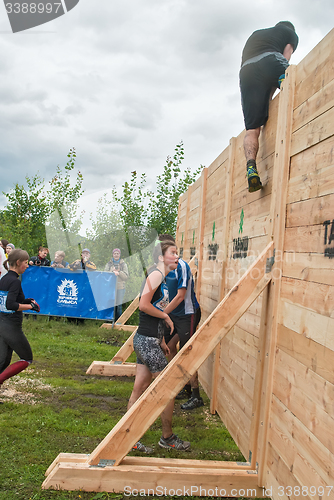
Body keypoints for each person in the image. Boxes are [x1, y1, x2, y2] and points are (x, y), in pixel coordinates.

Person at [128, 240, 190, 452]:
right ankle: (167, 437)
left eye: (177, 253)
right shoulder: (156, 275)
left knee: (140, 388)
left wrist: (162, 339)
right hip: (146, 342)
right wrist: (166, 316)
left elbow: (152, 310)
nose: (177, 256)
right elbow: (143, 305)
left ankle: (128, 438)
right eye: (173, 253)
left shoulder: (162, 278)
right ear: (161, 257)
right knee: (167, 389)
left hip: (149, 340)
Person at [239, 21, 299, 192]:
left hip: (247, 72)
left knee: (251, 129)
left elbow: (256, 72)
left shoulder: (256, 33)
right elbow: (285, 58)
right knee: (292, 79)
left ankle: (251, 167)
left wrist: (266, 100)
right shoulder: (290, 33)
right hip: (271, 60)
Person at [159, 235, 203, 410]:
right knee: (169, 346)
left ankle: (196, 394)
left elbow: (180, 296)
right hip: (173, 315)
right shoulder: (164, 268)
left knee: (187, 354)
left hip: (187, 314)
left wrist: (162, 314)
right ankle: (183, 386)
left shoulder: (182, 267)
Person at [0, 249, 40, 390]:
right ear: (18, 262)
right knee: (26, 358)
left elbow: (13, 300)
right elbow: (10, 305)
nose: (27, 265)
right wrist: (30, 306)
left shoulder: (4, 279)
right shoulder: (15, 281)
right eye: (25, 263)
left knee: (2, 363)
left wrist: (27, 301)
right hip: (11, 327)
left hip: (2, 325)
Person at [104, 248, 129, 321]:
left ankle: (118, 322)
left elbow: (126, 276)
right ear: (112, 254)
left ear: (120, 255)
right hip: (110, 288)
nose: (116, 255)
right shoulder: (109, 264)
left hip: (120, 288)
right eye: (115, 253)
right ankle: (109, 320)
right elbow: (105, 275)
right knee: (109, 305)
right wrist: (111, 271)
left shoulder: (123, 264)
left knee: (118, 306)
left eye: (117, 253)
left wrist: (119, 273)